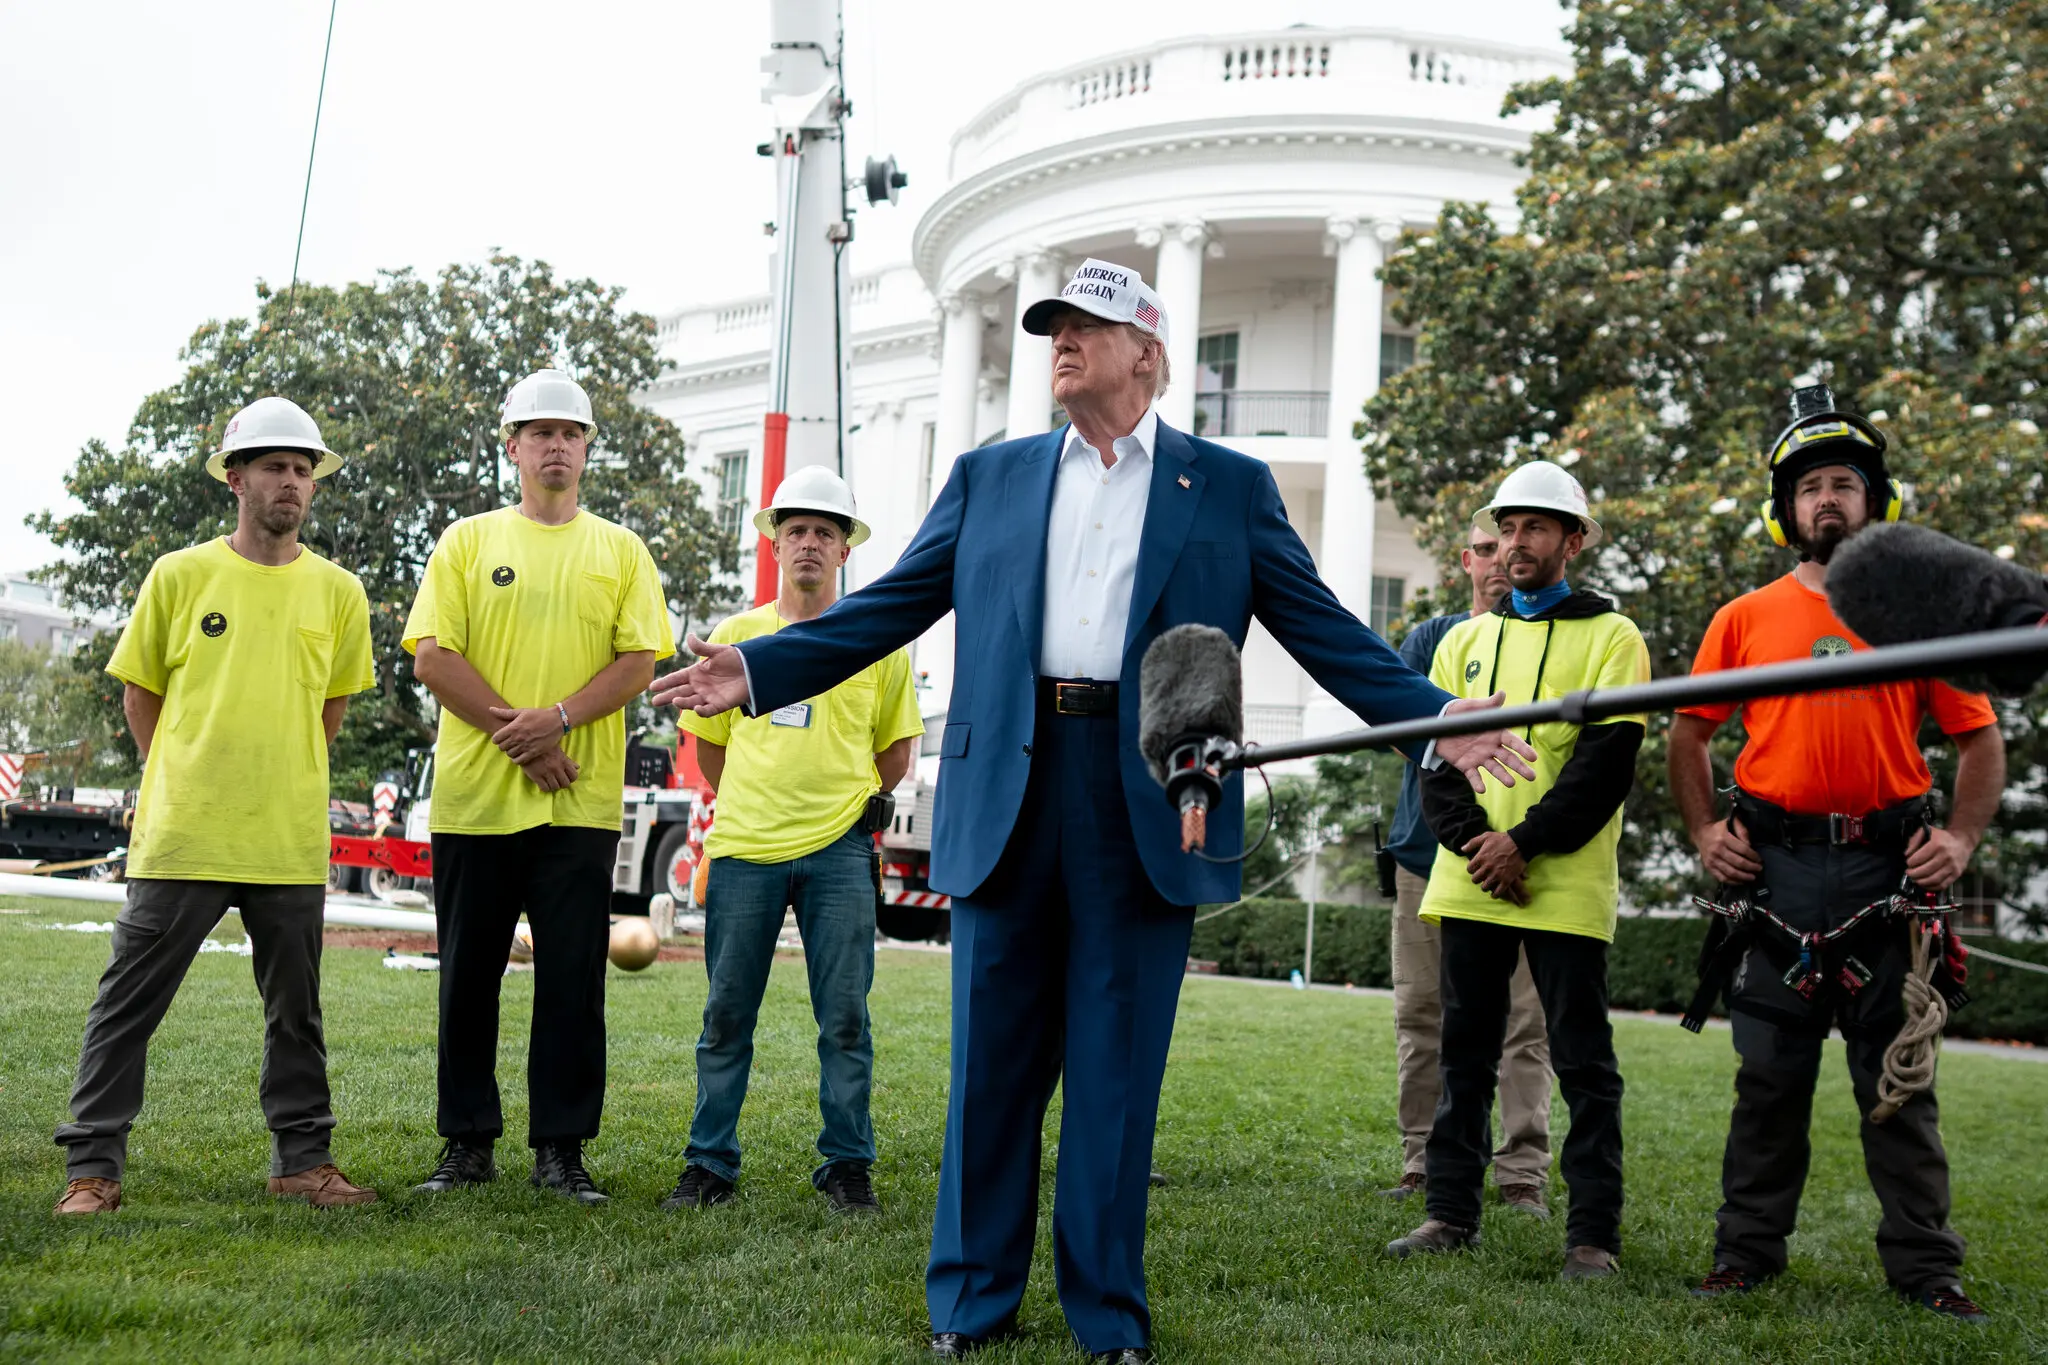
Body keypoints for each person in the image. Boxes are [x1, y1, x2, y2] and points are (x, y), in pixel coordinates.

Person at [652, 257, 1538, 1362]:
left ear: (1148, 356)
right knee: (991, 1071)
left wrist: (1431, 717)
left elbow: (1324, 629)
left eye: (1087, 324)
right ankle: (967, 1305)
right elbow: (887, 609)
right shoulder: (991, 476)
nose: (1061, 340)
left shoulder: (1225, 487)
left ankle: (1106, 1316)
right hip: (1005, 788)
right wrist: (760, 668)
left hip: (1148, 793)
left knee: (1115, 1076)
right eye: (1053, 325)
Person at [1668, 385, 2002, 1321]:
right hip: (1773, 875)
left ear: (1875, 503)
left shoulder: (1918, 615)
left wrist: (1961, 837)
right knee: (1767, 1079)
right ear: (1787, 513)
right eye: (1810, 485)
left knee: (1899, 1084)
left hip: (1886, 876)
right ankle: (1745, 1254)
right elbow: (1689, 736)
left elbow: (1980, 739)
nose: (1827, 498)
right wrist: (1704, 832)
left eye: (1844, 484)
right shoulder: (1743, 618)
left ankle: (1927, 1269)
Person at [53, 397, 378, 1214]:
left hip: (288, 839)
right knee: (127, 1007)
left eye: (304, 471)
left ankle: (302, 1161)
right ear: (236, 479)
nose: (292, 483)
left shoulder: (340, 592)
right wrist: (185, 776)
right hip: (185, 833)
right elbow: (141, 696)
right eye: (275, 467)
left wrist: (280, 776)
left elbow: (328, 713)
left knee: (297, 1016)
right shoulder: (179, 574)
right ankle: (93, 1168)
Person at [403, 369, 674, 1205]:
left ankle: (562, 1150)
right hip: (476, 803)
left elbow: (639, 661)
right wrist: (522, 736)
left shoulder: (620, 549)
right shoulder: (467, 541)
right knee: (467, 978)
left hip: (579, 804)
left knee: (570, 984)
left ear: (587, 447)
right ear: (511, 445)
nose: (557, 445)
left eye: (572, 432)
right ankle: (466, 1144)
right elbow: (433, 657)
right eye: (540, 431)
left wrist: (557, 718)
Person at [1389, 459, 1649, 1282]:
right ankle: (1450, 1213)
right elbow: (1434, 768)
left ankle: (1591, 1236)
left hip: (1563, 885)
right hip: (1471, 881)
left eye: (1534, 527)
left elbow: (1606, 767)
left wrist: (1522, 844)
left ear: (1573, 540)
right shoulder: (1463, 640)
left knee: (1584, 1063)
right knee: (1463, 1055)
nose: (1514, 545)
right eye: (1505, 529)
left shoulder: (1615, 637)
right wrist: (1477, 846)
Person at [662, 467, 924, 1216]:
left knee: (845, 1016)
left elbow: (896, 754)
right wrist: (759, 797)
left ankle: (847, 1166)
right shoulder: (738, 639)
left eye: (826, 533)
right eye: (798, 530)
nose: (810, 543)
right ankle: (709, 1162)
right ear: (774, 542)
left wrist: (835, 808)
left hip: (840, 851)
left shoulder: (877, 644)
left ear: (846, 551)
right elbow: (709, 748)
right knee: (725, 1015)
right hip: (744, 849)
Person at [1380, 516, 1553, 1214]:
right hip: (1428, 856)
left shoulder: (1553, 635)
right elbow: (1397, 729)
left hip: (1527, 863)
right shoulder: (1432, 639)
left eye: (1505, 544)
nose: (1495, 558)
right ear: (1466, 559)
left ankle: (1521, 1175)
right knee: (1422, 1013)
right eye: (1483, 547)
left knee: (1523, 1025)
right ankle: (1422, 1160)